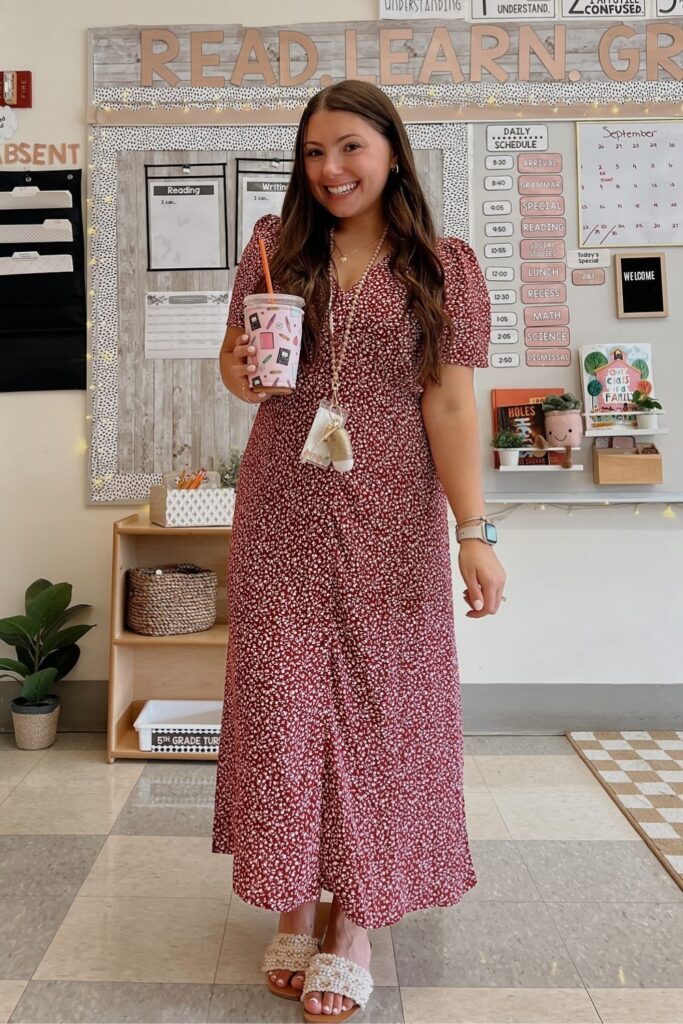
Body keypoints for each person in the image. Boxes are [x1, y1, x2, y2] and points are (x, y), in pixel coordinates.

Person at [213, 80, 506, 1022]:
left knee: (384, 713)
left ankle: (354, 925)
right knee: (283, 706)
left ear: (389, 151)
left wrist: (473, 532)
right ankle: (294, 902)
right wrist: (239, 371)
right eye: (313, 152)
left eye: (348, 148)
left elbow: (450, 403)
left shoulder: (442, 265)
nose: (330, 169)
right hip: (283, 508)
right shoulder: (274, 244)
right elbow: (236, 367)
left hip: (391, 519)